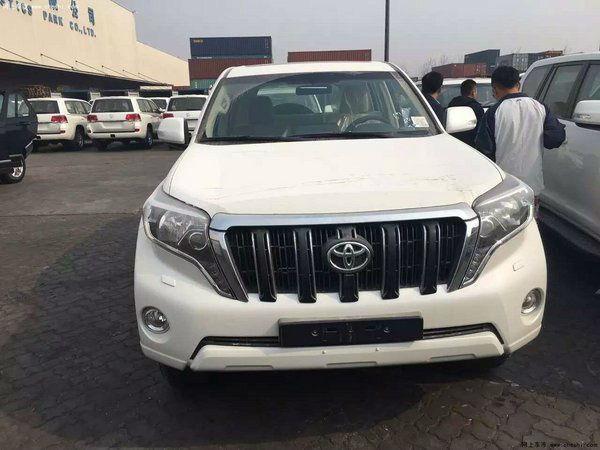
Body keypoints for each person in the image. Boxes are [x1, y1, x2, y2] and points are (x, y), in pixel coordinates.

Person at [475, 66, 566, 199]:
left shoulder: (494, 112)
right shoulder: (540, 107)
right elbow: (556, 139)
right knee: (531, 212)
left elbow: (484, 151)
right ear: (518, 84)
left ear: (494, 89)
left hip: (504, 187)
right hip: (532, 184)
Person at [448, 79, 484, 147]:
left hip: (453, 141)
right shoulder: (476, 107)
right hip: (470, 143)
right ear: (473, 92)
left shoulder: (452, 104)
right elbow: (481, 129)